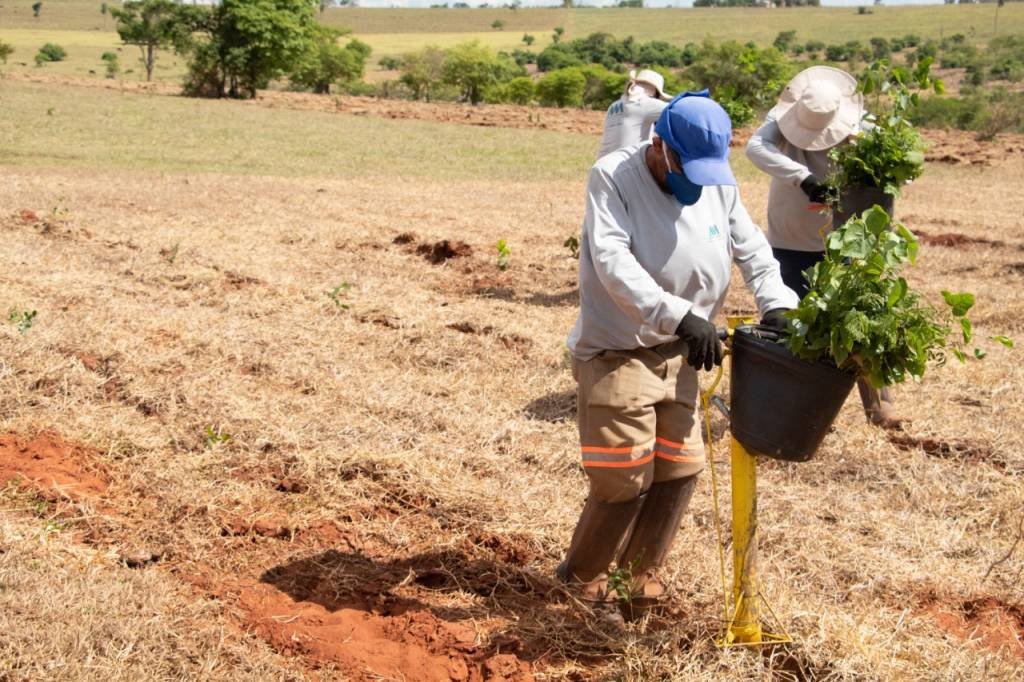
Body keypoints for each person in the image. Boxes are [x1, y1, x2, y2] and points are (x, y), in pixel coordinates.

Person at [560, 91, 799, 618]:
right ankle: (581, 580)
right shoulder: (613, 177)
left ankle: (638, 579)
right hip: (620, 350)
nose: (695, 180)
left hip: (683, 352)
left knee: (680, 469)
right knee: (623, 478)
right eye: (685, 166)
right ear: (660, 145)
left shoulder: (716, 183)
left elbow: (753, 247)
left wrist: (778, 302)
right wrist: (680, 314)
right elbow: (611, 260)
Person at [745, 65, 901, 428]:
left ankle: (880, 405)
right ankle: (805, 408)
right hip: (790, 236)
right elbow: (755, 147)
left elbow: (895, 175)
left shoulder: (865, 124)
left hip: (843, 239)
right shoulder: (781, 116)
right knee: (796, 323)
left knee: (859, 320)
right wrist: (802, 177)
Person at [595, 69, 671, 160]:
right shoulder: (645, 103)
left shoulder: (614, 105)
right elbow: (678, 110)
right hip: (624, 165)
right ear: (655, 93)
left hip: (601, 163)